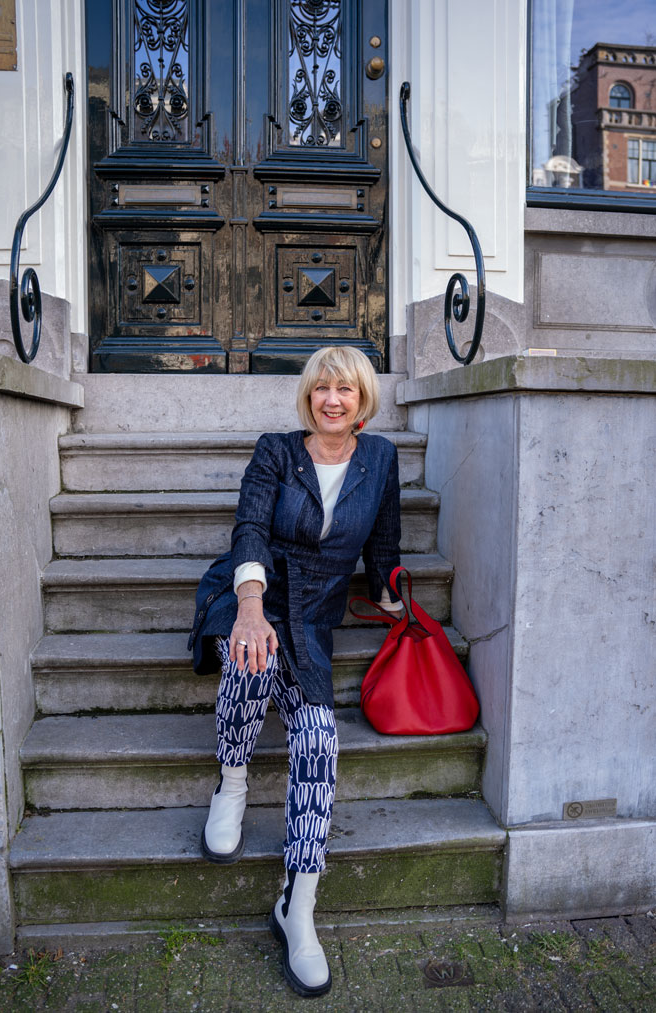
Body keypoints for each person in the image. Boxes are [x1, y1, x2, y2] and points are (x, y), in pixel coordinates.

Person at [188, 345, 403, 998]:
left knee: (319, 741)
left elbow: (383, 541)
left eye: (345, 389)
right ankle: (231, 783)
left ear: (362, 399)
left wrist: (394, 597)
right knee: (250, 658)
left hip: (311, 621)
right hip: (252, 594)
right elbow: (249, 529)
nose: (332, 399)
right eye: (321, 389)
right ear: (308, 396)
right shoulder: (276, 451)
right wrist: (250, 608)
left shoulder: (380, 458)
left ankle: (297, 906)